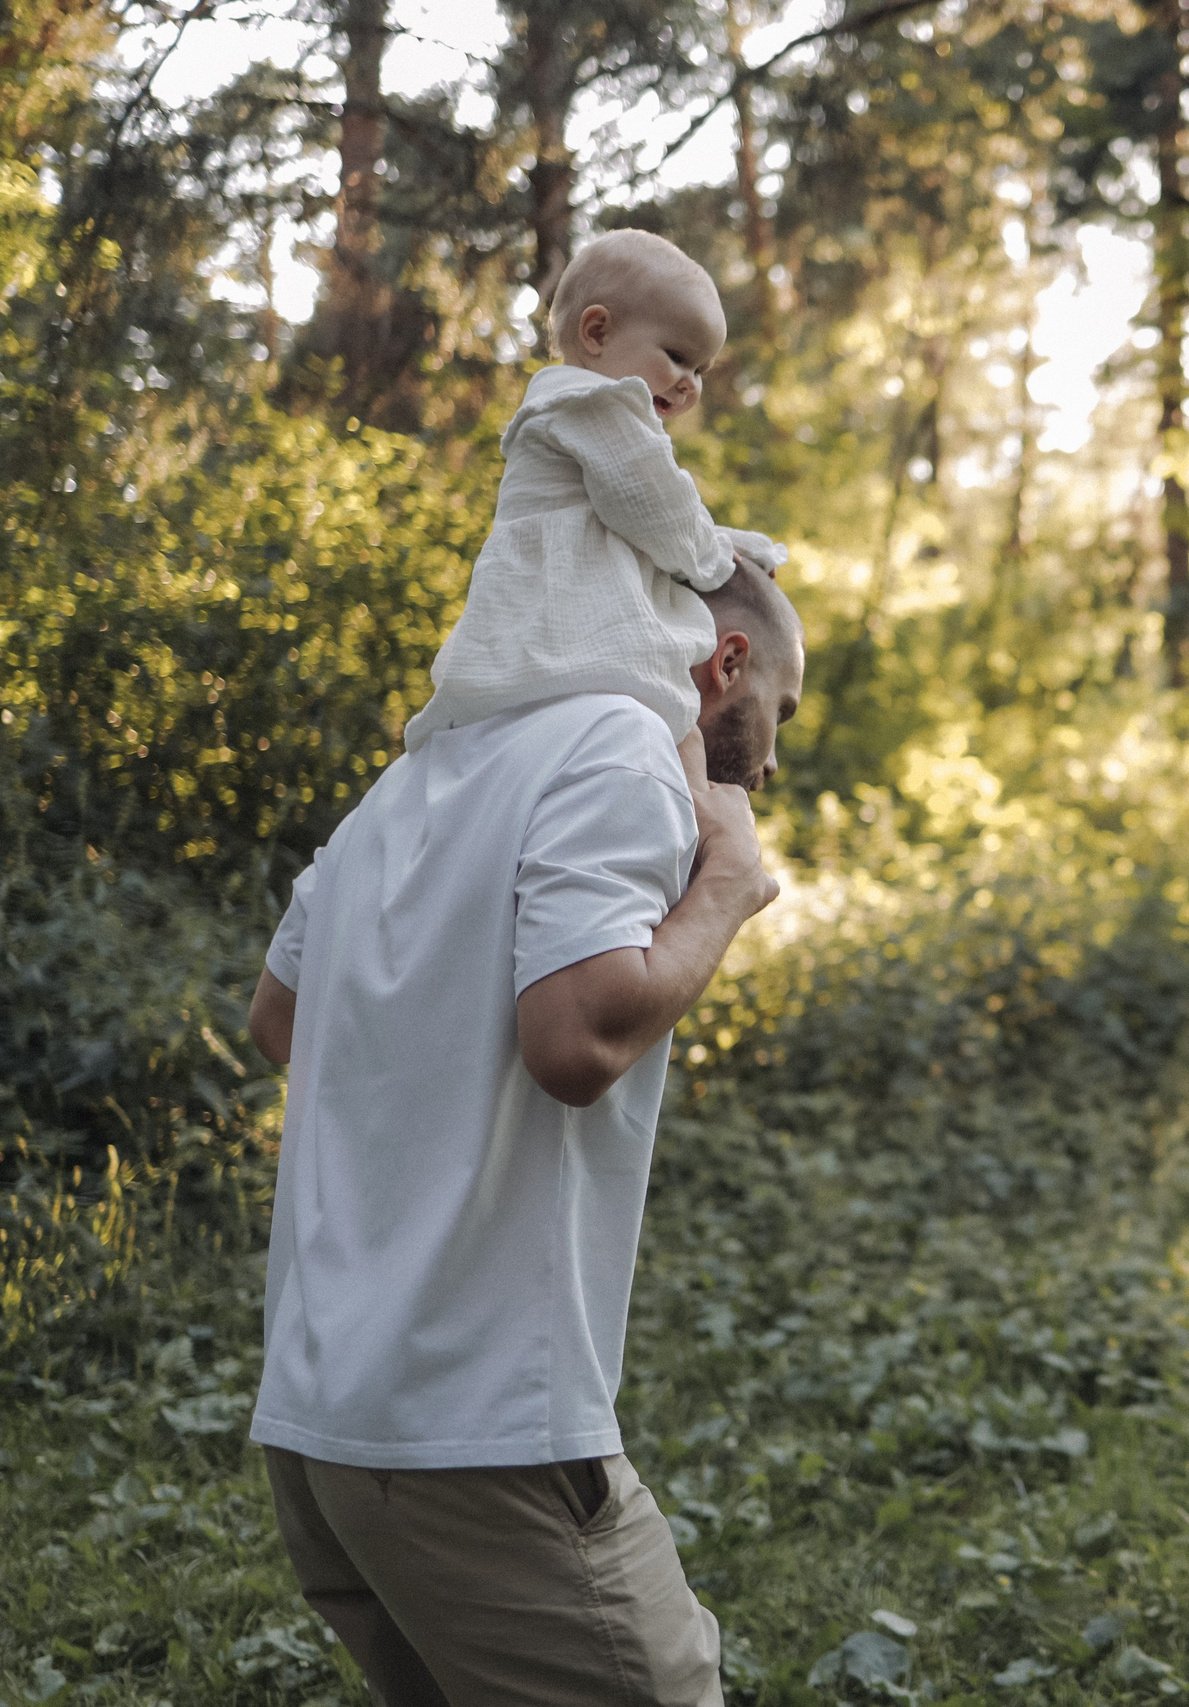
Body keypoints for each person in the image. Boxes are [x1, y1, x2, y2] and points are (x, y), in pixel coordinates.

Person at [244, 562, 803, 1703]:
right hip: (474, 1434)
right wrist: (728, 884)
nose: (774, 760)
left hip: (322, 1427)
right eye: (778, 711)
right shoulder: (622, 745)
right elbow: (575, 1041)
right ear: (726, 663)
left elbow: (278, 1020)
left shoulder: (412, 779)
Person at [404, 227, 786, 753]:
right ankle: (706, 803)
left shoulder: (584, 413)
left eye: (701, 370)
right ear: (597, 332)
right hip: (571, 638)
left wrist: (738, 546)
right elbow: (661, 514)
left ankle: (701, 800)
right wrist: (722, 564)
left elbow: (656, 518)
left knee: (682, 742)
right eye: (678, 356)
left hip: (562, 640)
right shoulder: (594, 405)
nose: (690, 384)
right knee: (669, 737)